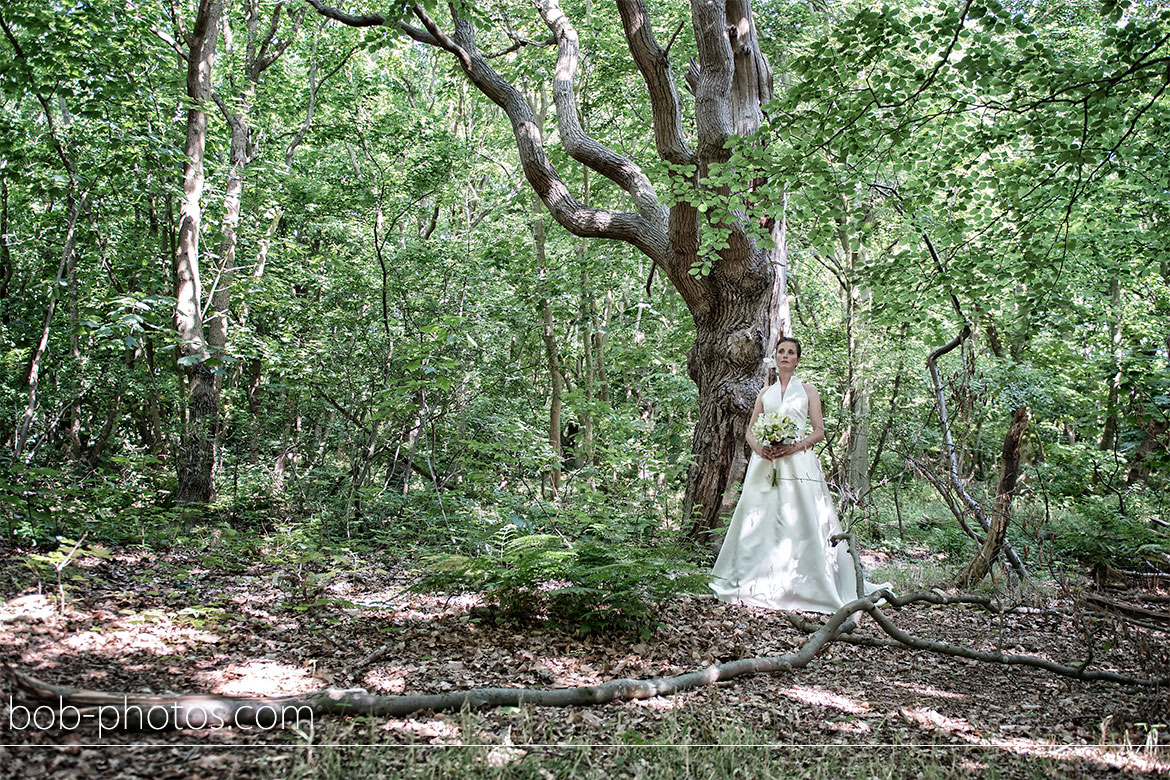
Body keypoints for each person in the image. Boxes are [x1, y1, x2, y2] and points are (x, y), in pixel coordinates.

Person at [710, 337, 887, 613]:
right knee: (758, 518)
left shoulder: (808, 391)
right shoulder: (764, 393)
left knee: (801, 520)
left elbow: (819, 430)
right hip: (766, 464)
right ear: (776, 357)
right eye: (781, 351)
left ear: (797, 360)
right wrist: (760, 449)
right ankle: (754, 578)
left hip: (797, 463)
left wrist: (794, 446)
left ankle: (804, 581)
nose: (785, 356)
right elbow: (749, 430)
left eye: (791, 352)